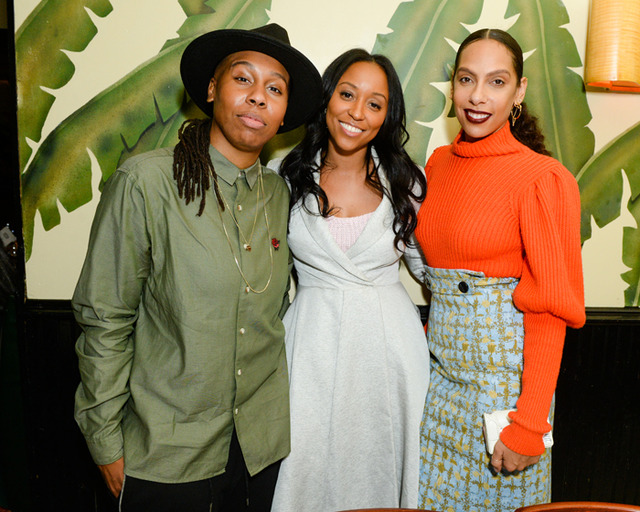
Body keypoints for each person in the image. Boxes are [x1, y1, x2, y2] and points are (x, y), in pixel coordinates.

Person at [72, 24, 322, 512]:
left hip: (256, 451)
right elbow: (105, 317)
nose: (257, 98)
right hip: (165, 453)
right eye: (243, 79)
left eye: (275, 89)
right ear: (212, 88)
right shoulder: (147, 183)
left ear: (285, 111)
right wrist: (103, 439)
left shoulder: (278, 195)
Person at [414, 28, 586, 511]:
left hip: (503, 391)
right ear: (453, 84)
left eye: (496, 82)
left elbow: (550, 310)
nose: (477, 96)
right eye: (467, 79)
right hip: (439, 382)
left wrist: (530, 422)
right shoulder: (439, 164)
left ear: (519, 91)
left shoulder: (542, 179)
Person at [268, 48, 430, 512]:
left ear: (386, 116)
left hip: (391, 353)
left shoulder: (406, 181)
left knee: (385, 472)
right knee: (304, 468)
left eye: (375, 104)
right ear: (327, 98)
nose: (357, 112)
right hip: (308, 349)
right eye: (347, 94)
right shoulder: (286, 176)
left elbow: (426, 267)